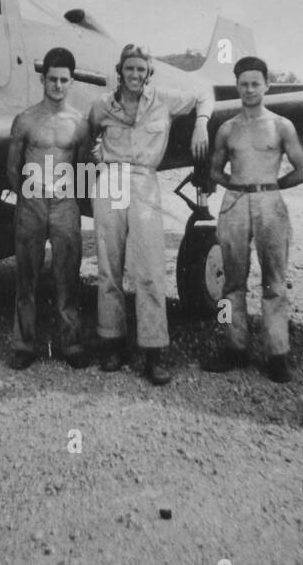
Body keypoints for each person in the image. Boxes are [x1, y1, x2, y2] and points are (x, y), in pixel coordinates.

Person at [87, 43, 213, 385]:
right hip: (110, 182)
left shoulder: (164, 100)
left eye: (141, 69)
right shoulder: (102, 105)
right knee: (109, 268)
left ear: (148, 73)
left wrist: (201, 123)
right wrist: (98, 159)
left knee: (150, 267)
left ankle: (154, 353)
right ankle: (112, 344)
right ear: (120, 71)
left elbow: (205, 92)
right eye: (130, 69)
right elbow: (88, 135)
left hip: (144, 181)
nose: (135, 75)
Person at [204, 55, 303, 383]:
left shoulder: (281, 126)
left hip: (269, 204)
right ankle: (234, 348)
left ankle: (277, 353)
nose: (249, 90)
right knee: (232, 280)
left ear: (267, 85)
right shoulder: (227, 128)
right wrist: (235, 187)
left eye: (255, 83)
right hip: (235, 203)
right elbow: (213, 169)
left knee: (274, 281)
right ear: (236, 86)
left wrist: (272, 187)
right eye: (243, 84)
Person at [5, 47, 90, 370]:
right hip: (32, 201)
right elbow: (13, 167)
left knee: (68, 276)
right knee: (26, 276)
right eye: (52, 79)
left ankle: (71, 344)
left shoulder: (79, 123)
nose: (57, 85)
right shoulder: (25, 120)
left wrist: (70, 198)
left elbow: (82, 168)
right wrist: (27, 197)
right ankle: (23, 345)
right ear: (43, 79)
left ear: (71, 83)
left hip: (65, 204)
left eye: (63, 80)